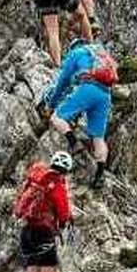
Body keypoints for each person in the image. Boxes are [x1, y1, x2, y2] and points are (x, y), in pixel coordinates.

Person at [41, 37, 118, 189]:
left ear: (73, 47)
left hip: (89, 88)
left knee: (57, 118)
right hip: (106, 95)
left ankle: (74, 143)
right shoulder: (100, 54)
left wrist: (51, 105)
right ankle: (99, 175)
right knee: (98, 138)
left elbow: (63, 82)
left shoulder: (76, 53)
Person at [13, 151, 75, 272]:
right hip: (43, 233)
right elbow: (63, 214)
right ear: (66, 170)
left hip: (27, 231)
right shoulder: (57, 185)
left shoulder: (36, 177)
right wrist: (65, 222)